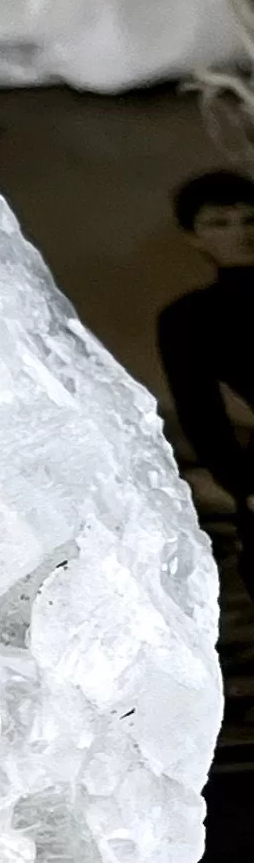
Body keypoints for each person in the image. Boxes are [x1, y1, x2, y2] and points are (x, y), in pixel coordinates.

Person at [159, 169, 254, 583]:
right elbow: (202, 416)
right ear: (193, 236)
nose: (241, 233)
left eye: (251, 220)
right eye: (219, 223)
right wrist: (244, 488)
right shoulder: (189, 318)